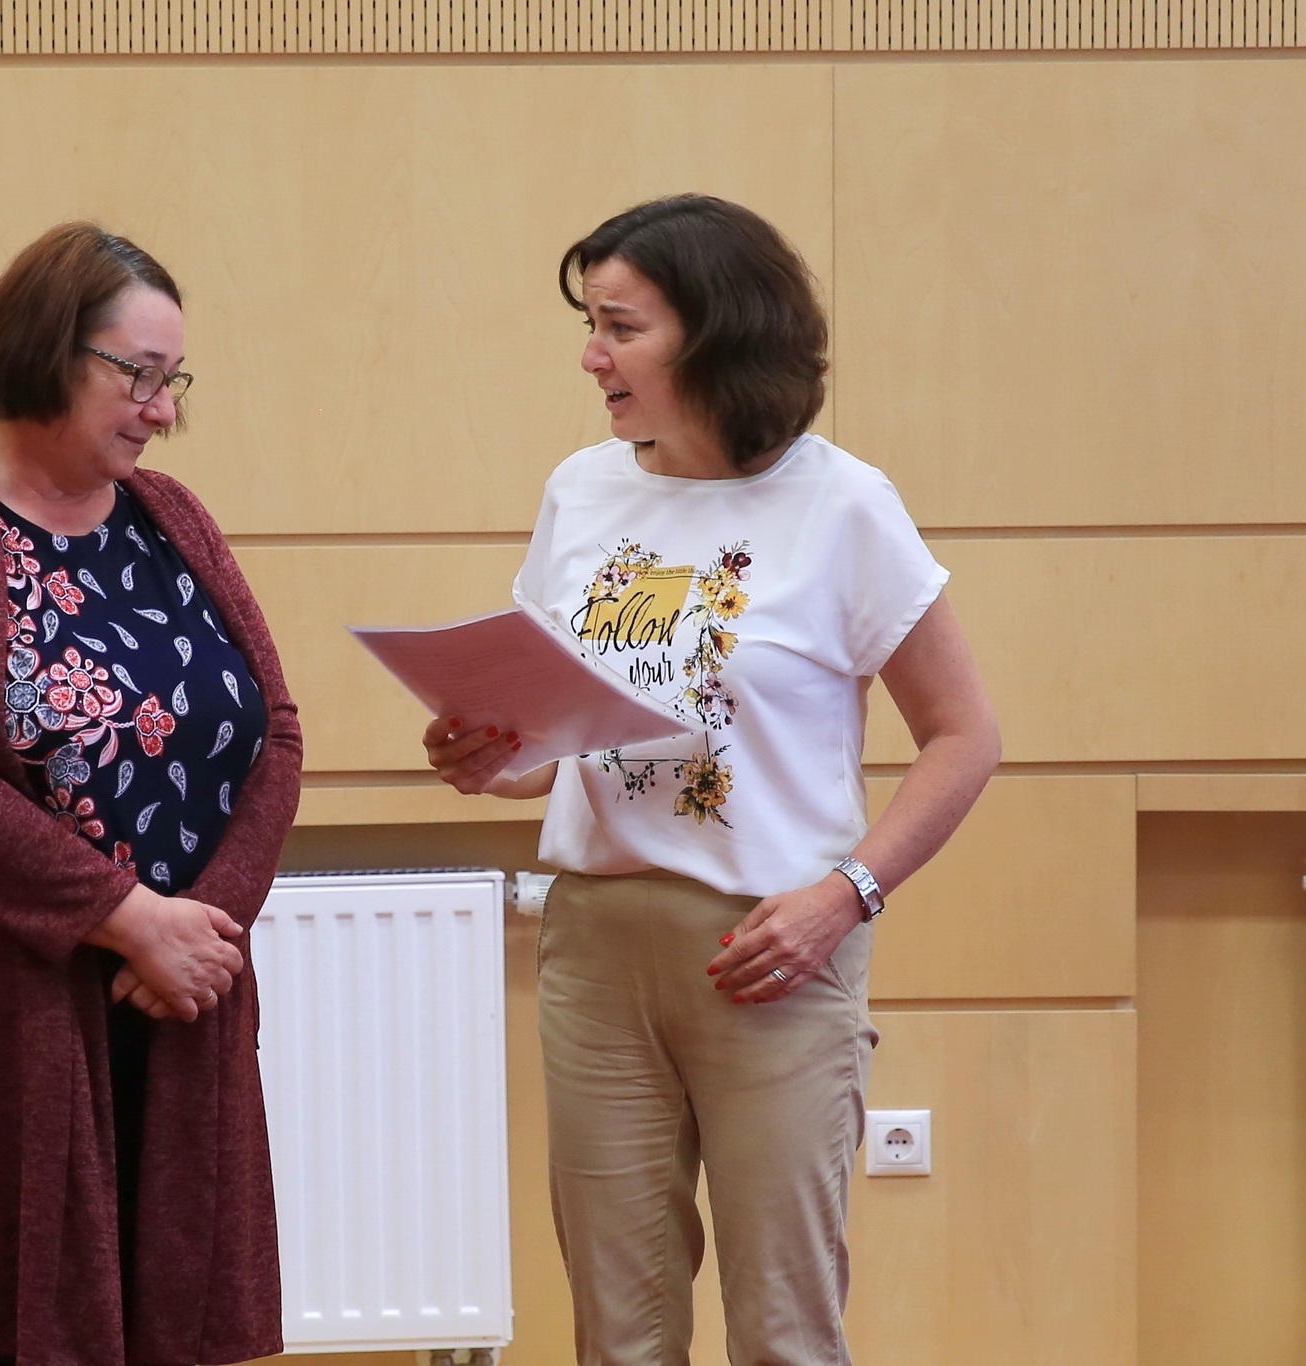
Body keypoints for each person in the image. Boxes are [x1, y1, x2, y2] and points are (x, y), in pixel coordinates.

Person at [423, 196, 1001, 1365]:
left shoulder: (841, 503)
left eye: (620, 327)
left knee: (781, 1328)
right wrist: (492, 758)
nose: (591, 357)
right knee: (617, 1330)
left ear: (716, 334)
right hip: (594, 948)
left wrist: (844, 895)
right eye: (589, 326)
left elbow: (963, 736)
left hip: (772, 952)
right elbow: (563, 740)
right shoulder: (580, 490)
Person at [0, 222, 301, 1366]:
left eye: (173, 380)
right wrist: (126, 917)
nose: (161, 409)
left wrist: (199, 932)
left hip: (168, 1003)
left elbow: (272, 732)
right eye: (138, 375)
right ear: (45, 350)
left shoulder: (174, 519)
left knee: (170, 1316)